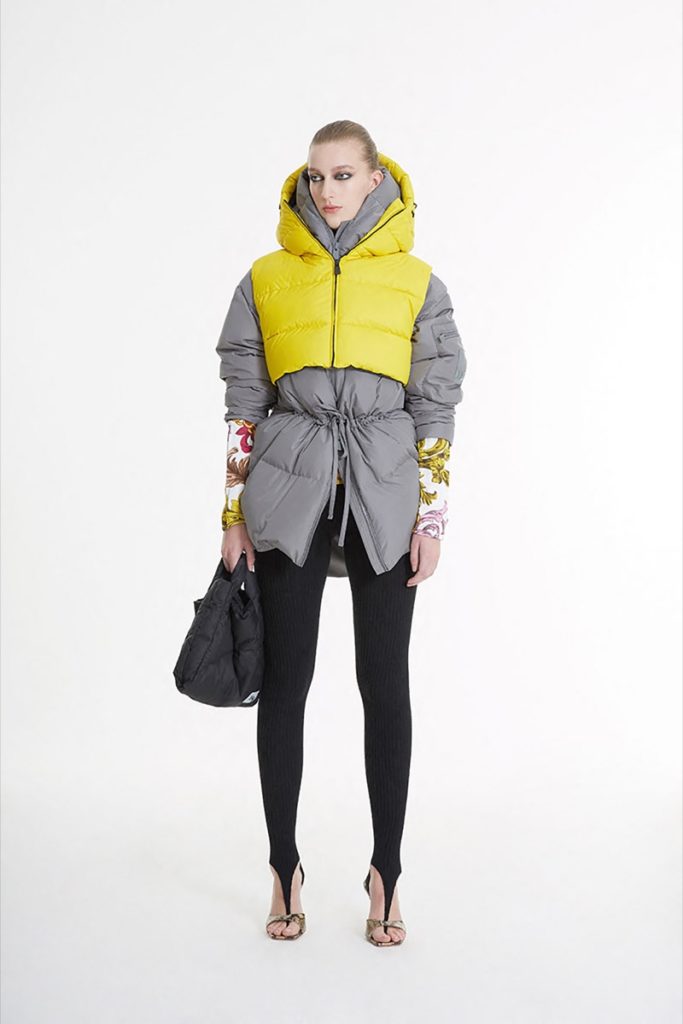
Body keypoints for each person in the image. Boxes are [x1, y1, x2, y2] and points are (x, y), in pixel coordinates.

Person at [215, 120, 467, 946]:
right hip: (286, 494)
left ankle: (385, 872)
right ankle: (282, 867)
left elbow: (434, 406)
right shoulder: (264, 277)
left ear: (374, 180)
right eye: (315, 177)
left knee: (382, 684)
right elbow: (243, 407)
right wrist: (231, 516)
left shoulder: (416, 282)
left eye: (343, 175)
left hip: (384, 495)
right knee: (285, 683)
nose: (326, 191)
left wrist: (431, 516)